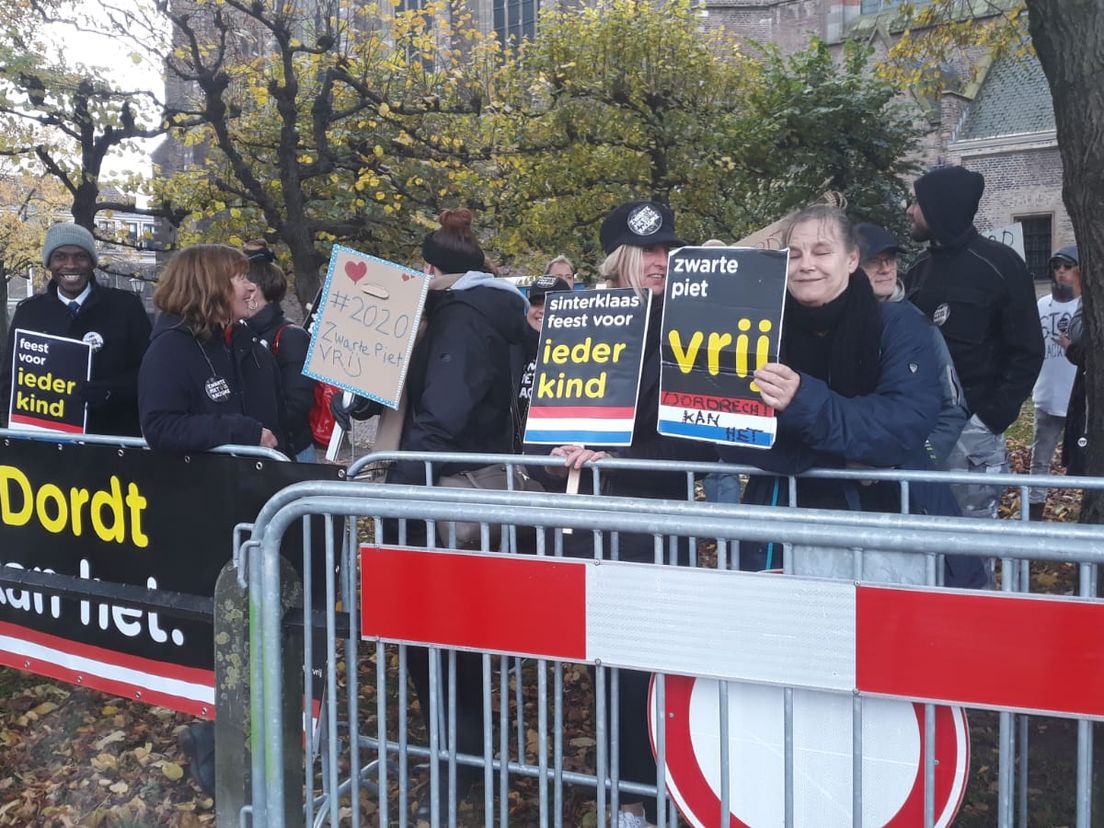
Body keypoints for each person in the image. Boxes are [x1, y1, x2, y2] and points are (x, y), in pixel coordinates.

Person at [542, 200, 712, 828]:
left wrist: (617, 452)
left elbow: (700, 438)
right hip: (601, 524)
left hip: (661, 520)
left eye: (670, 250)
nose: (663, 262)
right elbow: (538, 428)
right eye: (651, 252)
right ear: (621, 259)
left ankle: (677, 788)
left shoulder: (692, 326)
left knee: (668, 662)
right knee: (616, 665)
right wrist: (558, 451)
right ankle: (633, 797)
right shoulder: (579, 325)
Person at [719, 205, 986, 589]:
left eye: (822, 252)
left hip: (892, 523)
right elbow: (733, 436)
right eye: (793, 255)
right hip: (780, 528)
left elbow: (900, 425)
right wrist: (844, 452)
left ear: (851, 260)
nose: (806, 265)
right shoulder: (758, 334)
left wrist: (802, 403)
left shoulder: (899, 325)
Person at [904, 166, 1044, 519]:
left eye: (916, 202)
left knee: (969, 544)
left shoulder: (1001, 266)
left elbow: (1027, 351)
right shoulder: (918, 271)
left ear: (939, 206)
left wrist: (989, 419)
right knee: (919, 534)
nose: (909, 210)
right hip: (918, 429)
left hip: (972, 436)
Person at [0, 222, 151, 436]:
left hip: (113, 441)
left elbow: (149, 372)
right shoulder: (29, 313)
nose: (70, 265)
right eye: (60, 256)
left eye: (80, 256)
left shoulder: (126, 307)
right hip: (49, 445)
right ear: (49, 263)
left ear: (91, 263)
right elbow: (10, 381)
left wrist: (110, 390)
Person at [138, 244, 288, 456]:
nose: (251, 287)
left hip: (267, 483)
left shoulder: (253, 348)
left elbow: (279, 428)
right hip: (208, 484)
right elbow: (161, 427)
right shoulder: (169, 350)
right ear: (212, 286)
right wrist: (240, 432)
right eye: (242, 278)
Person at [856, 222, 967, 466]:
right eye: (874, 261)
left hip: (904, 478)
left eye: (891, 259)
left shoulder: (918, 325)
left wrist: (920, 460)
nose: (886, 269)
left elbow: (953, 405)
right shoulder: (831, 322)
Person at [240, 239, 317, 462]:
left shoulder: (291, 337)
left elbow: (297, 404)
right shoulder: (242, 334)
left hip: (289, 453)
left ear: (254, 292)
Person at [1029, 244, 1081, 518]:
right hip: (1046, 397)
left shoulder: (1087, 306)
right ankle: (1035, 512)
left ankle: (1087, 512)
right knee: (1040, 460)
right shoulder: (1041, 305)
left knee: (1084, 461)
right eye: (1057, 267)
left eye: (1067, 267)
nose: (1061, 273)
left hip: (1078, 399)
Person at [517, 274, 572, 435]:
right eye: (536, 304)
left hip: (560, 449)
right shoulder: (511, 345)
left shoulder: (586, 352)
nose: (542, 311)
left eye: (552, 304)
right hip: (513, 450)